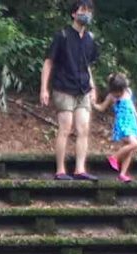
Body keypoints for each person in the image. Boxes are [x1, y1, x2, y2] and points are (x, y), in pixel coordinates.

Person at [40, 1, 99, 181]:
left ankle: (80, 169)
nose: (86, 13)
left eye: (89, 11)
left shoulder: (90, 38)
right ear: (74, 13)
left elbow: (87, 65)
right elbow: (49, 62)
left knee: (83, 128)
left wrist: (93, 87)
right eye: (83, 10)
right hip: (63, 87)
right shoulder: (62, 36)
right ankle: (60, 170)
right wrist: (44, 89)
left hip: (83, 88)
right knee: (65, 128)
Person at [94, 73, 137, 182]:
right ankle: (114, 157)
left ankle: (122, 174)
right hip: (122, 124)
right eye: (116, 91)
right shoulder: (111, 97)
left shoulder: (128, 92)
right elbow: (101, 108)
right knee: (135, 143)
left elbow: (132, 106)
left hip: (131, 122)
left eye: (120, 91)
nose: (119, 93)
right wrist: (93, 104)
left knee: (129, 150)